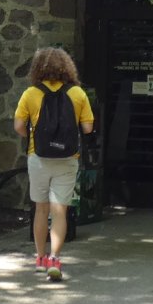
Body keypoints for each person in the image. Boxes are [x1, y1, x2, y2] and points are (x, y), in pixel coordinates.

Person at [12, 46, 95, 281]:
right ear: (66, 67)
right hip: (68, 159)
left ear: (38, 68)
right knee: (60, 211)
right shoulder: (77, 93)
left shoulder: (30, 93)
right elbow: (88, 128)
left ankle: (39, 257)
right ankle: (55, 259)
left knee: (41, 208)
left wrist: (34, 137)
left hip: (38, 157)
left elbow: (18, 126)